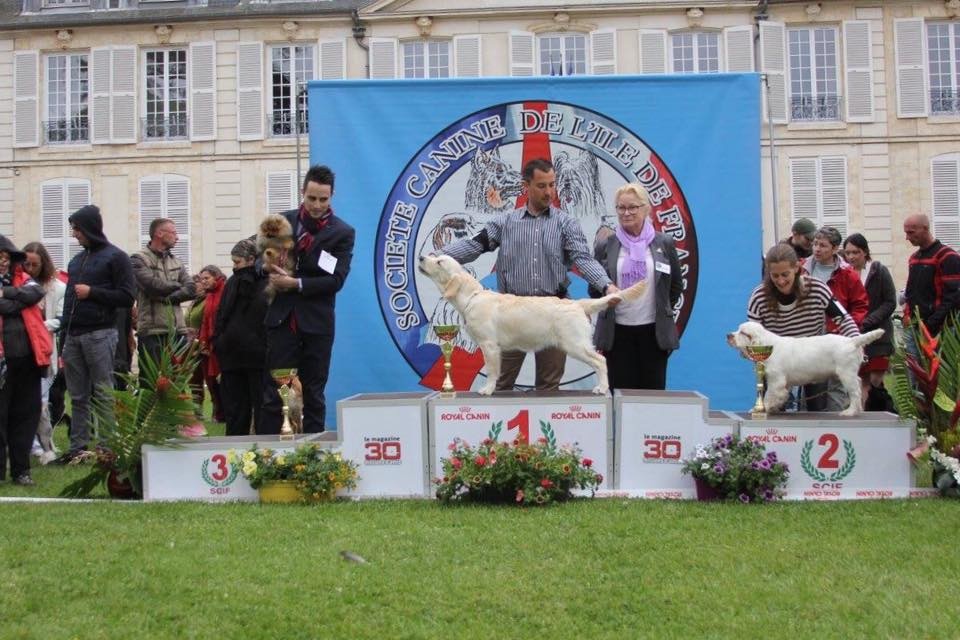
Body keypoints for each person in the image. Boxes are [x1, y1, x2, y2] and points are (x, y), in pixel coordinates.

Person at [441, 157, 615, 391]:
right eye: (542, 186)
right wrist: (439, 258)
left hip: (553, 313)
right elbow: (475, 245)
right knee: (500, 385)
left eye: (552, 185)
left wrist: (606, 285)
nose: (549, 192)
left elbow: (582, 259)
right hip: (510, 315)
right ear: (526, 186)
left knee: (548, 386)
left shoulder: (566, 224)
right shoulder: (504, 222)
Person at [263, 164, 354, 433]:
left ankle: (313, 457)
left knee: (314, 393)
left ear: (332, 196)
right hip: (281, 319)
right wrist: (267, 266)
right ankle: (269, 455)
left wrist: (296, 283)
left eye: (323, 199)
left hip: (317, 323)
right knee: (274, 392)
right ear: (302, 192)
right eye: (311, 198)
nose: (316, 205)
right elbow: (257, 262)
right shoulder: (282, 222)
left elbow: (336, 280)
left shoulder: (342, 233)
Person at [56, 205, 136, 464]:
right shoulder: (76, 261)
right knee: (77, 395)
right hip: (74, 336)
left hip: (101, 334)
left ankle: (107, 447)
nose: (74, 234)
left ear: (90, 228)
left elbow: (126, 296)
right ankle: (77, 447)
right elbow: (69, 301)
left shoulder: (117, 257)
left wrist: (92, 292)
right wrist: (63, 340)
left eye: (77, 228)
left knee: (103, 392)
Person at [747, 243, 860, 412]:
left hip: (813, 360)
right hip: (776, 362)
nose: (780, 281)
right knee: (769, 413)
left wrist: (855, 346)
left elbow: (843, 319)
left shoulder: (818, 288)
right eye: (774, 276)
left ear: (797, 268)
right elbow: (752, 335)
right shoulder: (759, 297)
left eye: (785, 274)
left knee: (817, 411)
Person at [591, 183, 682, 390]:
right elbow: (595, 288)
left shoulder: (665, 243)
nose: (626, 213)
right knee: (620, 394)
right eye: (621, 208)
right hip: (617, 334)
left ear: (646, 208)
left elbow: (674, 286)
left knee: (652, 396)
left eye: (633, 207)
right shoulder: (606, 245)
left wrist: (661, 309)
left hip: (654, 334)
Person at [0, 236, 53, 485]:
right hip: (3, 362)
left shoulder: (24, 279)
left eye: (6, 257)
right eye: (0, 257)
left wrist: (6, 293)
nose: (3, 262)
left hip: (30, 360)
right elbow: (18, 304)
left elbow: (36, 293)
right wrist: (16, 302)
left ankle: (21, 471)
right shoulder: (22, 286)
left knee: (25, 416)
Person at [214, 239, 272, 435]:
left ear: (250, 259)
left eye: (237, 262)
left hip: (252, 356)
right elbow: (222, 315)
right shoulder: (234, 282)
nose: (234, 266)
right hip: (238, 356)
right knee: (242, 410)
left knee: (255, 410)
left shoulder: (264, 282)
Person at [129, 218, 196, 377]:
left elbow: (192, 288)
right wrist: (178, 286)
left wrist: (167, 297)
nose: (177, 237)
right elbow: (152, 286)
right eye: (173, 233)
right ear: (159, 233)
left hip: (178, 332)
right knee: (150, 383)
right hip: (152, 332)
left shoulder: (176, 261)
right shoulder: (138, 259)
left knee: (177, 382)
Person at [22, 242, 66, 464]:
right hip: (19, 350)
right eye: (26, 263)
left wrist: (38, 326)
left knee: (41, 402)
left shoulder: (57, 288)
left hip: (43, 351)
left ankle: (44, 445)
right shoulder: (17, 284)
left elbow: (62, 317)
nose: (30, 268)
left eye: (35, 264)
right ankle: (26, 444)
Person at [843, 233, 897, 409]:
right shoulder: (843, 274)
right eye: (848, 253)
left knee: (875, 380)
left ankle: (878, 411)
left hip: (879, 337)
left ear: (865, 252)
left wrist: (868, 320)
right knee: (860, 381)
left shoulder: (878, 271)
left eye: (855, 252)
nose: (851, 257)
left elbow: (890, 302)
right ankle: (863, 417)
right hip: (855, 336)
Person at [801, 226, 869, 330]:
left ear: (835, 249)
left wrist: (846, 328)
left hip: (837, 336)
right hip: (806, 333)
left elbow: (860, 306)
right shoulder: (801, 269)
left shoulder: (848, 274)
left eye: (823, 246)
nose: (817, 249)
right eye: (815, 244)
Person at [903, 213, 960, 336]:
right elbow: (910, 292)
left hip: (942, 330)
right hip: (915, 328)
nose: (907, 237)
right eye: (906, 233)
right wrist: (907, 315)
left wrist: (931, 324)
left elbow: (953, 297)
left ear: (925, 228)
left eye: (911, 232)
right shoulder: (913, 258)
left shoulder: (947, 256)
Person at [186, 266, 225, 422]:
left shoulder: (212, 298)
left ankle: (219, 412)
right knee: (195, 381)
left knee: (213, 380)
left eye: (204, 280)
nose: (200, 285)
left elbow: (208, 322)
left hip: (206, 344)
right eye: (199, 281)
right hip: (193, 346)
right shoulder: (194, 303)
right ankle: (199, 412)